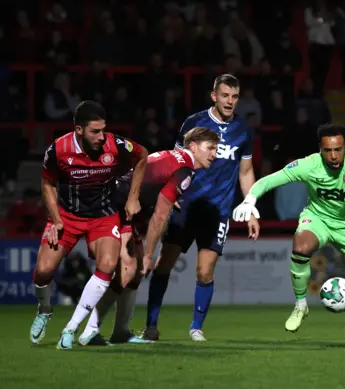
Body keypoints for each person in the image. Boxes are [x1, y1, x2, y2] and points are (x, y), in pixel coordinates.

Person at [233, 124, 345, 338]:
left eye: (338, 149)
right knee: (301, 245)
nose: (333, 155)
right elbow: (270, 180)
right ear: (320, 149)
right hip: (318, 219)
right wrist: (250, 200)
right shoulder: (309, 165)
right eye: (327, 150)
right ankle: (300, 305)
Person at [142, 74, 259, 342]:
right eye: (225, 95)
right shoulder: (194, 123)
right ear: (214, 96)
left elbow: (246, 171)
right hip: (186, 205)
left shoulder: (243, 130)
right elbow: (175, 160)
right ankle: (150, 325)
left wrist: (251, 208)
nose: (230, 101)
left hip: (217, 211)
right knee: (164, 264)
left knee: (205, 271)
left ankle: (196, 328)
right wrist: (169, 194)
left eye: (235, 96)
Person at [78, 127, 220, 345]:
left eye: (216, 149)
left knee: (132, 275)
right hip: (111, 206)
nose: (214, 154)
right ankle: (88, 331)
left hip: (118, 204)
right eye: (210, 148)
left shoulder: (174, 157)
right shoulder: (185, 169)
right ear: (193, 146)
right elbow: (160, 216)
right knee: (128, 269)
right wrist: (150, 255)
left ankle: (121, 331)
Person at [30, 100, 148, 350]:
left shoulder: (115, 145)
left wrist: (133, 196)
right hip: (67, 216)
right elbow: (48, 184)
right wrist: (56, 219)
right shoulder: (58, 149)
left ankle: (71, 328)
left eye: (103, 129)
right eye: (95, 131)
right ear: (79, 130)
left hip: (103, 216)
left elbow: (142, 156)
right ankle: (45, 309)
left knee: (107, 265)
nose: (101, 136)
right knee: (43, 271)